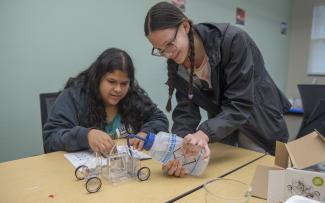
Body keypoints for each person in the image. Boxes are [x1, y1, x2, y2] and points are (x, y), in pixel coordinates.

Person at [141, 2, 291, 176]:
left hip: (259, 127)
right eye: (160, 50)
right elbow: (186, 111)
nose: (168, 54)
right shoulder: (177, 66)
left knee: (257, 183)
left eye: (169, 44)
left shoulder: (232, 41)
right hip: (224, 132)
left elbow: (240, 103)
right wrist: (178, 150)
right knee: (223, 183)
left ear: (185, 26)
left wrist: (204, 132)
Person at [43, 48, 169, 154]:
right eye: (111, 82)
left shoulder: (133, 96)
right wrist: (86, 136)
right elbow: (51, 139)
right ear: (98, 78)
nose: (118, 89)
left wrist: (146, 133)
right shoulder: (74, 96)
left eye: (124, 83)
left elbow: (159, 118)